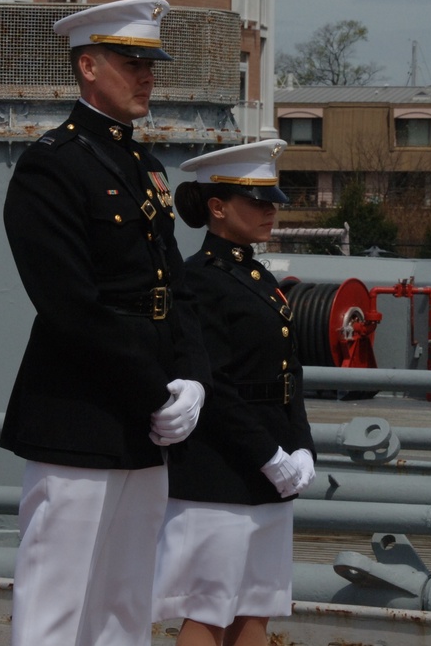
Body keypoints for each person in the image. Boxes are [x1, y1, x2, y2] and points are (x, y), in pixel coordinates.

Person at [0, 0, 210, 646]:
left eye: (151, 64)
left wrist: (194, 377)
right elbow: (70, 306)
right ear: (88, 66)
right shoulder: (52, 164)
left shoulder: (143, 166)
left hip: (145, 424)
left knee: (125, 604)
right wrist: (155, 391)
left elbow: (173, 287)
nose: (147, 76)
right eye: (131, 62)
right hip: (80, 413)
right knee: (56, 608)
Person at [153, 139, 317, 646]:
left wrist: (303, 446)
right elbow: (214, 383)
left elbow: (288, 372)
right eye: (257, 202)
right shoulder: (200, 279)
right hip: (219, 469)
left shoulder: (256, 276)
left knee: (255, 608)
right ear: (218, 208)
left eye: (272, 202)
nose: (270, 211)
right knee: (207, 609)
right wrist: (269, 455)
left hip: (268, 465)